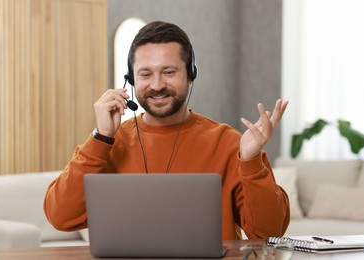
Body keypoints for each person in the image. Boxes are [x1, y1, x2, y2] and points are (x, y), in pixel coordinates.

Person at [44, 21, 290, 240]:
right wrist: (100, 137)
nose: (157, 85)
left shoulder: (230, 144)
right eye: (145, 74)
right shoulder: (109, 143)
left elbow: (269, 233)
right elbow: (61, 217)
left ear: (191, 75)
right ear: (131, 79)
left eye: (169, 72)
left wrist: (251, 162)